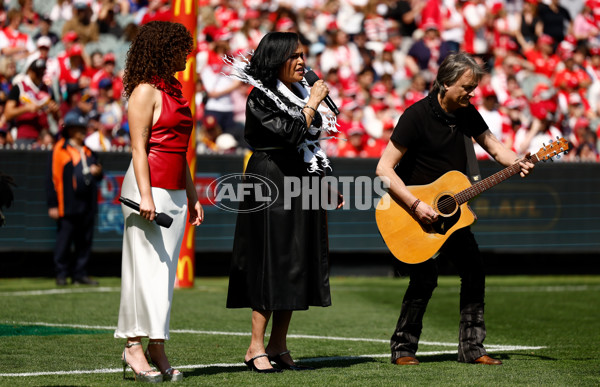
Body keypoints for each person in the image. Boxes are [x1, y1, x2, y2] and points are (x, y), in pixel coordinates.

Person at [375, 52, 534, 366]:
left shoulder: (467, 112)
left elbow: (493, 145)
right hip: (411, 213)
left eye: (474, 86)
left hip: (451, 213)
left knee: (474, 271)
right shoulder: (416, 116)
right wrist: (416, 204)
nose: (472, 92)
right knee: (425, 278)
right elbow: (383, 169)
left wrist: (517, 161)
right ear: (445, 83)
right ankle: (403, 350)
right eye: (466, 86)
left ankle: (473, 349)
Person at [225, 31, 342, 373]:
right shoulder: (261, 96)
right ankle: (254, 346)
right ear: (277, 59)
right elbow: (291, 132)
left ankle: (278, 344)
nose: (303, 62)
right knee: (270, 260)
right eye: (295, 56)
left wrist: (323, 180)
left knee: (296, 260)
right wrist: (312, 103)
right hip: (270, 177)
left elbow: (308, 143)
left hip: (301, 177)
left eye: (304, 55)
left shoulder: (301, 92)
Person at [114, 21, 203, 383]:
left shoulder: (175, 90)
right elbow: (139, 147)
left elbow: (178, 151)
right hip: (146, 189)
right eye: (181, 48)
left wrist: (193, 195)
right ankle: (133, 346)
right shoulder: (144, 92)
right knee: (142, 271)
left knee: (163, 273)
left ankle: (156, 346)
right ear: (164, 50)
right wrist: (147, 195)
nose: (187, 54)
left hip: (176, 191)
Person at [46, 110, 103, 286]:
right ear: (70, 130)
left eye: (83, 128)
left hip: (87, 202)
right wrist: (53, 204)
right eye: (79, 128)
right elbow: (51, 178)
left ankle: (80, 273)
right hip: (68, 202)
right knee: (64, 240)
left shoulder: (89, 151)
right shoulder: (60, 149)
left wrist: (98, 171)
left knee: (84, 240)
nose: (82, 132)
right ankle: (61, 273)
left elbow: (100, 174)